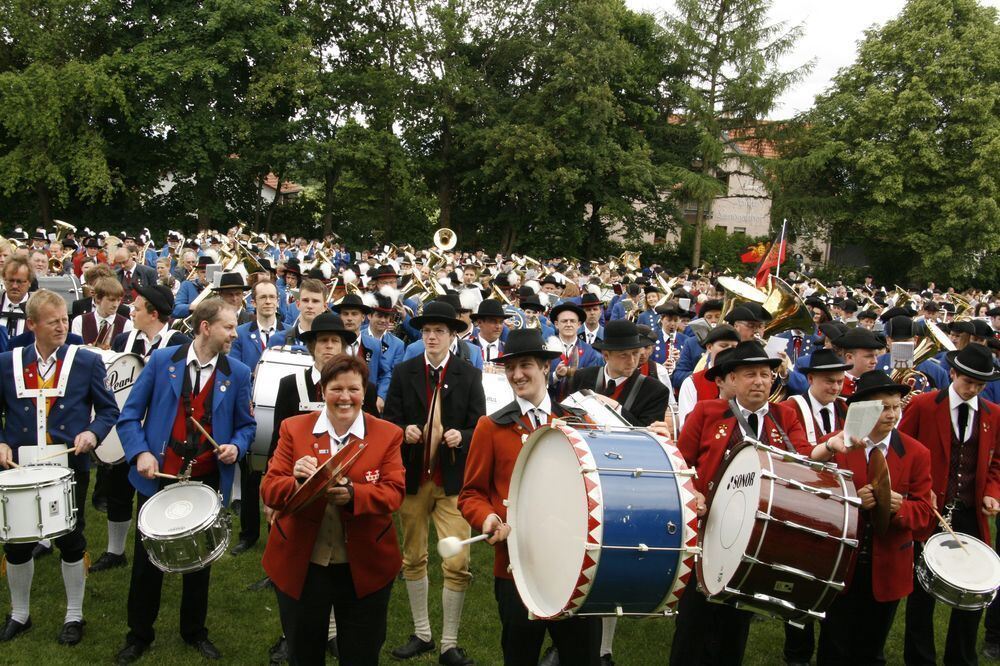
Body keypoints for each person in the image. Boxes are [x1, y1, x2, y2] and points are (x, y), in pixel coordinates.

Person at [114, 299, 255, 663]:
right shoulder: (163, 363)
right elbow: (129, 417)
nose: (234, 334)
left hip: (205, 479)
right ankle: (138, 634)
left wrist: (236, 448)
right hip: (158, 476)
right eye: (228, 327)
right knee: (148, 562)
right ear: (206, 327)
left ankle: (194, 631)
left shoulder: (237, 372)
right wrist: (140, 453)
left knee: (199, 562)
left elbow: (246, 425)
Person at [460, 328, 602, 665]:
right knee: (519, 654)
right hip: (517, 566)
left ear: (545, 368)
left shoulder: (578, 422)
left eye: (525, 365)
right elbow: (471, 494)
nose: (516, 375)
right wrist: (488, 518)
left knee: (582, 655)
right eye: (510, 368)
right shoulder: (491, 427)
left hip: (575, 563)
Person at [260, 354, 404, 665]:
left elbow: (394, 494)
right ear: (322, 390)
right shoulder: (293, 428)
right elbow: (270, 489)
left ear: (364, 392)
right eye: (336, 388)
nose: (345, 397)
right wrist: (296, 482)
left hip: (365, 563)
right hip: (303, 562)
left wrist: (354, 495)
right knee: (304, 651)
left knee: (362, 653)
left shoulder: (388, 434)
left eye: (353, 389)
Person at [673, 339, 809, 665]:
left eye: (766, 374)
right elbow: (679, 464)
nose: (760, 381)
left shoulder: (785, 415)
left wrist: (830, 449)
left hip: (758, 536)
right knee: (694, 620)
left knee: (736, 622)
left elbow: (802, 461)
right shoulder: (707, 413)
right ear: (731, 380)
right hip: (709, 528)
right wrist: (693, 494)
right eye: (750, 374)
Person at [0, 289, 120, 645]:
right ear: (32, 324)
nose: (62, 327)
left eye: (65, 320)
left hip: (69, 465)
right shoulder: (7, 363)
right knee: (16, 542)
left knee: (71, 538)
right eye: (53, 322)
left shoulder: (86, 361)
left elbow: (109, 410)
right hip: (18, 467)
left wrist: (92, 433)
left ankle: (74, 614)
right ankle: (19, 613)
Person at [383, 301, 486, 666]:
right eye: (426, 331)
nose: (431, 337)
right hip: (413, 479)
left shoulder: (469, 374)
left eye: (439, 331)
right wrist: (403, 430)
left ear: (451, 336)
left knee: (457, 559)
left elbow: (481, 426)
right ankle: (423, 633)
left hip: (452, 482)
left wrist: (464, 435)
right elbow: (389, 421)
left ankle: (449, 643)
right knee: (413, 557)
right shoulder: (403, 370)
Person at [808, 370, 933, 665]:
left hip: (888, 566)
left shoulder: (916, 453)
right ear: (861, 409)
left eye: (896, 407)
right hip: (841, 565)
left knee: (871, 646)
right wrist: (852, 500)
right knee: (834, 644)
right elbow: (814, 497)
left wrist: (898, 508)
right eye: (884, 408)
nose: (892, 415)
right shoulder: (837, 444)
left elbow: (926, 515)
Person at [898, 343, 1000, 666]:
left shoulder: (993, 414)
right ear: (953, 373)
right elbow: (900, 451)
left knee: (973, 594)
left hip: (970, 513)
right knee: (922, 594)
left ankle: (961, 658)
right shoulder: (924, 406)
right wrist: (917, 490)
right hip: (929, 513)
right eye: (969, 382)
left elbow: (997, 462)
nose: (974, 390)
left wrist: (993, 491)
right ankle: (920, 659)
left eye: (981, 385)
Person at [90, 285, 190, 575]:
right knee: (119, 489)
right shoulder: (124, 338)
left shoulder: (179, 341)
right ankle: (115, 550)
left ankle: (160, 551)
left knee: (156, 494)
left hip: (160, 430)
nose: (130, 311)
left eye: (137, 307)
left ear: (153, 314)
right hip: (130, 426)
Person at [569, 319, 670, 427]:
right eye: (623, 355)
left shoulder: (656, 391)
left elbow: (648, 437)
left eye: (635, 353)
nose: (631, 361)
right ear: (606, 355)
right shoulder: (581, 378)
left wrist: (616, 407)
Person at [676, 324, 740, 426]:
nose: (729, 350)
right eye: (724, 346)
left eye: (734, 347)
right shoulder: (692, 383)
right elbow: (686, 426)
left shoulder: (743, 379)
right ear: (709, 347)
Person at [547, 301, 603, 402]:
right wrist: (556, 375)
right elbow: (538, 379)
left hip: (578, 407)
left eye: (572, 321)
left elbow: (591, 386)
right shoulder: (546, 348)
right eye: (564, 321)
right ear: (556, 324)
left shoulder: (590, 352)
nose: (568, 324)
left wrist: (575, 375)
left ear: (579, 324)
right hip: (550, 405)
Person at [70, 276, 131, 347]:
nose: (116, 305)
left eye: (119, 300)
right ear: (98, 298)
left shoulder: (127, 325)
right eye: (111, 300)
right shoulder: (79, 321)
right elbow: (76, 353)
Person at [268, 278, 328, 349]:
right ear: (298, 304)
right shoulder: (277, 340)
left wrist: (290, 349)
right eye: (305, 300)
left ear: (324, 306)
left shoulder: (330, 344)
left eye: (315, 301)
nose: (310, 306)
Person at [0, 256, 33, 339]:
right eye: (11, 280)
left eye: (20, 282)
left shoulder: (37, 307)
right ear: (4, 279)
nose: (14, 286)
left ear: (29, 282)